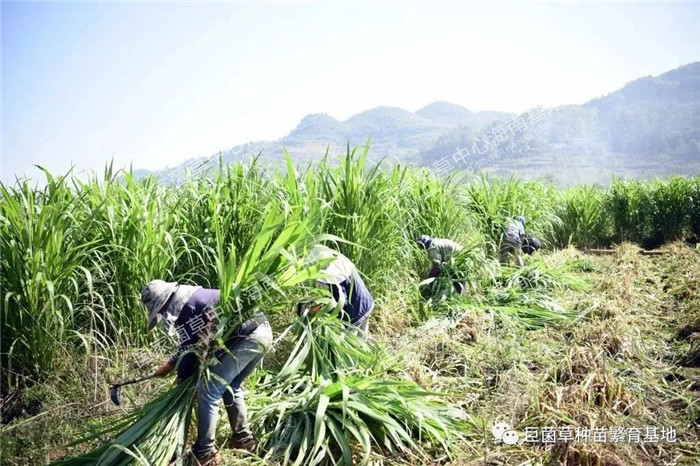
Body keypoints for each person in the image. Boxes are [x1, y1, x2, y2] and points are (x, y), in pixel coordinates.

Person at [141, 280, 272, 466]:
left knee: (208, 392)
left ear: (164, 302)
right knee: (230, 386)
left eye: (159, 310)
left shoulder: (186, 307)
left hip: (247, 337)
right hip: (262, 331)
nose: (161, 314)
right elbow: (192, 344)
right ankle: (244, 440)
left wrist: (181, 380)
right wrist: (171, 364)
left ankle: (204, 453)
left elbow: (189, 352)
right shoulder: (193, 299)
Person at [299, 245, 374, 336]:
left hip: (355, 312)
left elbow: (340, 305)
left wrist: (319, 310)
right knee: (362, 339)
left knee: (351, 344)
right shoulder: (340, 263)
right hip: (366, 302)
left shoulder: (334, 280)